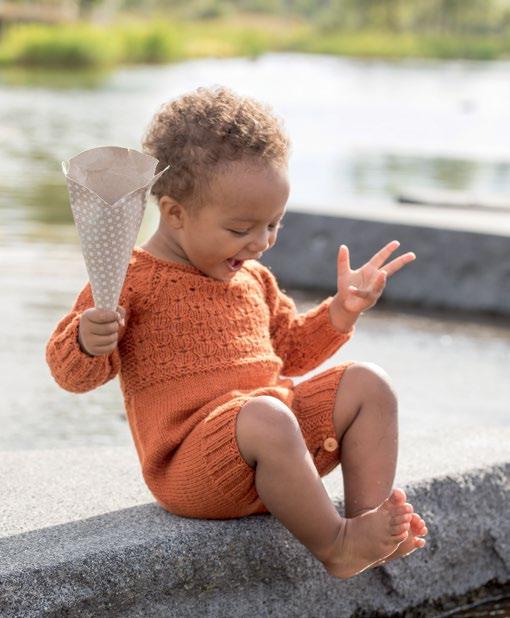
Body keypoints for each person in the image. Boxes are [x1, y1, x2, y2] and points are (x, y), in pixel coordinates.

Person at [46, 85, 428, 580]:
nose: (262, 242)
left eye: (274, 225)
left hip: (271, 443)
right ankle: (335, 546)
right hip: (193, 467)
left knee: (369, 382)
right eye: (242, 228)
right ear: (175, 213)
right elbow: (69, 374)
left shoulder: (252, 278)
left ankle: (365, 525)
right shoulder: (127, 278)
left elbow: (289, 348)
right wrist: (86, 340)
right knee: (266, 415)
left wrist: (341, 311)